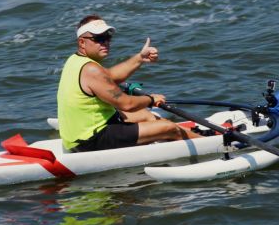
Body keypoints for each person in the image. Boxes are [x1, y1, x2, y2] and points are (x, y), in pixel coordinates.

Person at [57, 15, 200, 152]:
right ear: (82, 42)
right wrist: (151, 99)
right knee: (170, 127)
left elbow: (110, 77)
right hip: (91, 140)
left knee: (146, 115)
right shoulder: (91, 69)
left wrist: (140, 58)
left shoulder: (75, 60)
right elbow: (127, 104)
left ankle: (167, 138)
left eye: (107, 37)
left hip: (79, 134)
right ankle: (207, 144)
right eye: (99, 38)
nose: (105, 42)